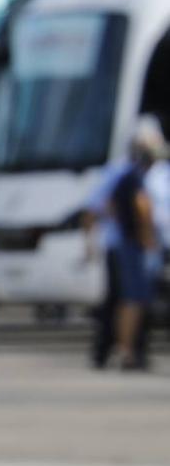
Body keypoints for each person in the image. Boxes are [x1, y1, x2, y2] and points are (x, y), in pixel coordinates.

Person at [87, 121, 170, 370]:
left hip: (142, 244)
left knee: (137, 300)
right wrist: (147, 239)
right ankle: (122, 352)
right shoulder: (127, 173)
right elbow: (134, 208)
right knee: (129, 300)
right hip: (132, 245)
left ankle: (133, 351)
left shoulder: (152, 172)